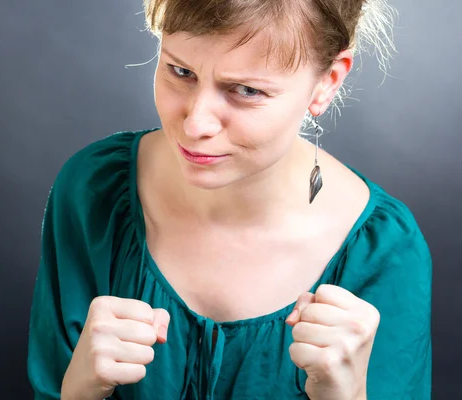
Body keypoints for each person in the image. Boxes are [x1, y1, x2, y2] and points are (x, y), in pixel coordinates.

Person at [27, 0, 432, 398]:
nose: (196, 122)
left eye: (246, 90)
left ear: (327, 81)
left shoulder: (386, 254)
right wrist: (80, 390)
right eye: (180, 70)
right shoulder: (93, 192)